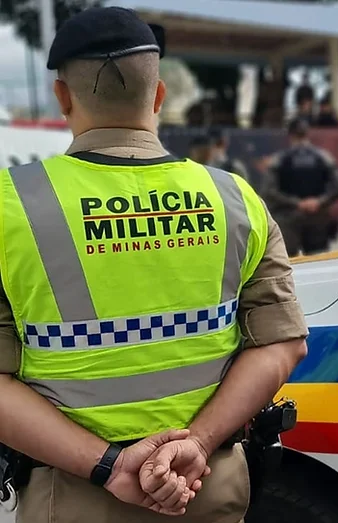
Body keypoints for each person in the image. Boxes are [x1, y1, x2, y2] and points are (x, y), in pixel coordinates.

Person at [0, 7, 309, 522]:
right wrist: (199, 442)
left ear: (62, 97)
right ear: (159, 94)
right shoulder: (235, 198)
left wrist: (111, 467)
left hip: (74, 494)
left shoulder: (10, 205)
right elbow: (282, 343)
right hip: (206, 481)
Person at [264, 117, 338, 256]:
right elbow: (337, 186)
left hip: (288, 219)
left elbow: (269, 191)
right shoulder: (323, 157)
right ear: (307, 133)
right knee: (318, 261)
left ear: (290, 135)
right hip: (317, 217)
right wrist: (318, 202)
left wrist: (297, 203)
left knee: (289, 264)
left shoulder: (279, 160)